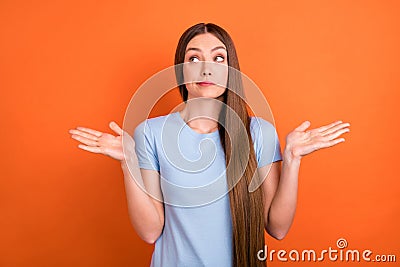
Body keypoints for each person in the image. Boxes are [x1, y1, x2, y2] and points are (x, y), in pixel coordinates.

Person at [69, 23, 350, 267]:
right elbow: (150, 232)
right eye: (194, 58)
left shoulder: (259, 133)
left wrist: (292, 159)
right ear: (181, 71)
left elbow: (277, 228)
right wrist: (128, 162)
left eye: (218, 58)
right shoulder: (150, 133)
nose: (206, 68)